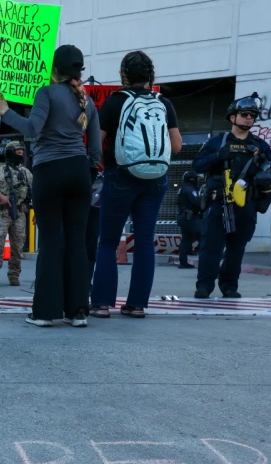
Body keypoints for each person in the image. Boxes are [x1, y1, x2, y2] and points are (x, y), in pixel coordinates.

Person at [0, 44, 101, 327]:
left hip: (50, 171)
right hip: (79, 172)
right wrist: (86, 173)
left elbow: (32, 129)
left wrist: (5, 112)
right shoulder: (86, 101)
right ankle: (78, 312)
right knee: (77, 243)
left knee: (52, 241)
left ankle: (44, 312)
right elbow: (96, 149)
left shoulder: (46, 93)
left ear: (54, 69)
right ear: (78, 71)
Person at [90, 50, 182, 319]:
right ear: (151, 76)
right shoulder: (164, 103)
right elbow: (176, 145)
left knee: (107, 241)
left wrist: (104, 165)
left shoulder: (115, 102)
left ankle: (102, 304)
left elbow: (97, 144)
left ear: (123, 76)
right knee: (144, 241)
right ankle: (137, 305)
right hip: (155, 180)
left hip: (120, 176)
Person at [193, 94, 271, 298]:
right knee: (211, 248)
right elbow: (197, 166)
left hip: (246, 206)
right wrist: (216, 157)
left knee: (236, 250)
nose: (249, 118)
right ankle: (204, 286)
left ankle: (230, 286)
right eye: (245, 114)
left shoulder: (260, 146)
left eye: (253, 115)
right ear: (232, 117)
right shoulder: (217, 142)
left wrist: (261, 202)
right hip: (218, 203)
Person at [0, 141, 31, 288]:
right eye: (18, 152)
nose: (21, 155)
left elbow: (33, 191)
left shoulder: (26, 172)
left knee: (17, 247)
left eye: (22, 152)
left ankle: (14, 276)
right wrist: (0, 197)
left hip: (20, 213)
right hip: (2, 213)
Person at [176, 171, 202, 269]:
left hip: (184, 218)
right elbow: (197, 202)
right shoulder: (190, 190)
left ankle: (183, 262)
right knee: (203, 236)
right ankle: (206, 261)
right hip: (190, 218)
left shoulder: (183, 189)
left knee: (186, 240)